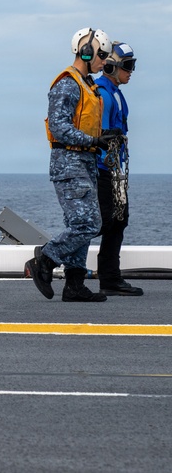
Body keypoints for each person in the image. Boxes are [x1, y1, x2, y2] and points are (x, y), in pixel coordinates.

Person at [26, 27, 117, 303]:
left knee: (80, 222)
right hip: (69, 162)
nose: (104, 61)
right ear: (86, 52)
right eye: (101, 55)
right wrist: (94, 140)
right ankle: (45, 259)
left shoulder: (87, 84)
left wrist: (103, 140)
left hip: (85, 160)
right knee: (89, 222)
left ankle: (74, 285)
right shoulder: (68, 84)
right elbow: (59, 126)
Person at [93, 41, 142, 296]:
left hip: (114, 170)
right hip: (102, 168)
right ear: (112, 67)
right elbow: (98, 133)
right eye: (128, 66)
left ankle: (110, 278)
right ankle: (49, 257)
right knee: (101, 222)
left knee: (118, 221)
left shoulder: (116, 92)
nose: (131, 71)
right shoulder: (102, 94)